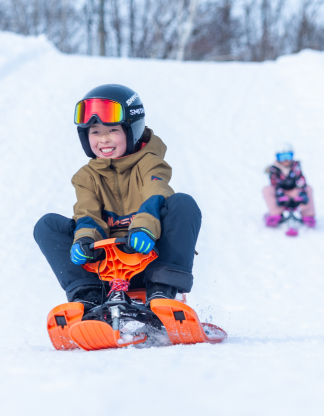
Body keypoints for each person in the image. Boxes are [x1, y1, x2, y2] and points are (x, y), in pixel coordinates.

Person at [33, 84, 201, 312]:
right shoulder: (86, 177)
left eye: (112, 130)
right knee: (47, 225)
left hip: (148, 259)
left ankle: (162, 291)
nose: (103, 140)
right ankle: (88, 296)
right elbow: (87, 213)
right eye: (95, 132)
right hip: (105, 269)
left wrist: (144, 227)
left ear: (133, 130)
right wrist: (84, 240)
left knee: (183, 203)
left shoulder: (149, 163)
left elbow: (156, 192)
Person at [263, 143, 316, 229]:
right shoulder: (274, 169)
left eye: (288, 156)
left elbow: (301, 180)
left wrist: (302, 193)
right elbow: (275, 184)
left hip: (294, 192)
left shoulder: (296, 166)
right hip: (280, 193)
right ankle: (275, 213)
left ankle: (308, 215)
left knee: (308, 188)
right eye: (282, 157)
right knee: (267, 189)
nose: (286, 160)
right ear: (277, 157)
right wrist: (280, 196)